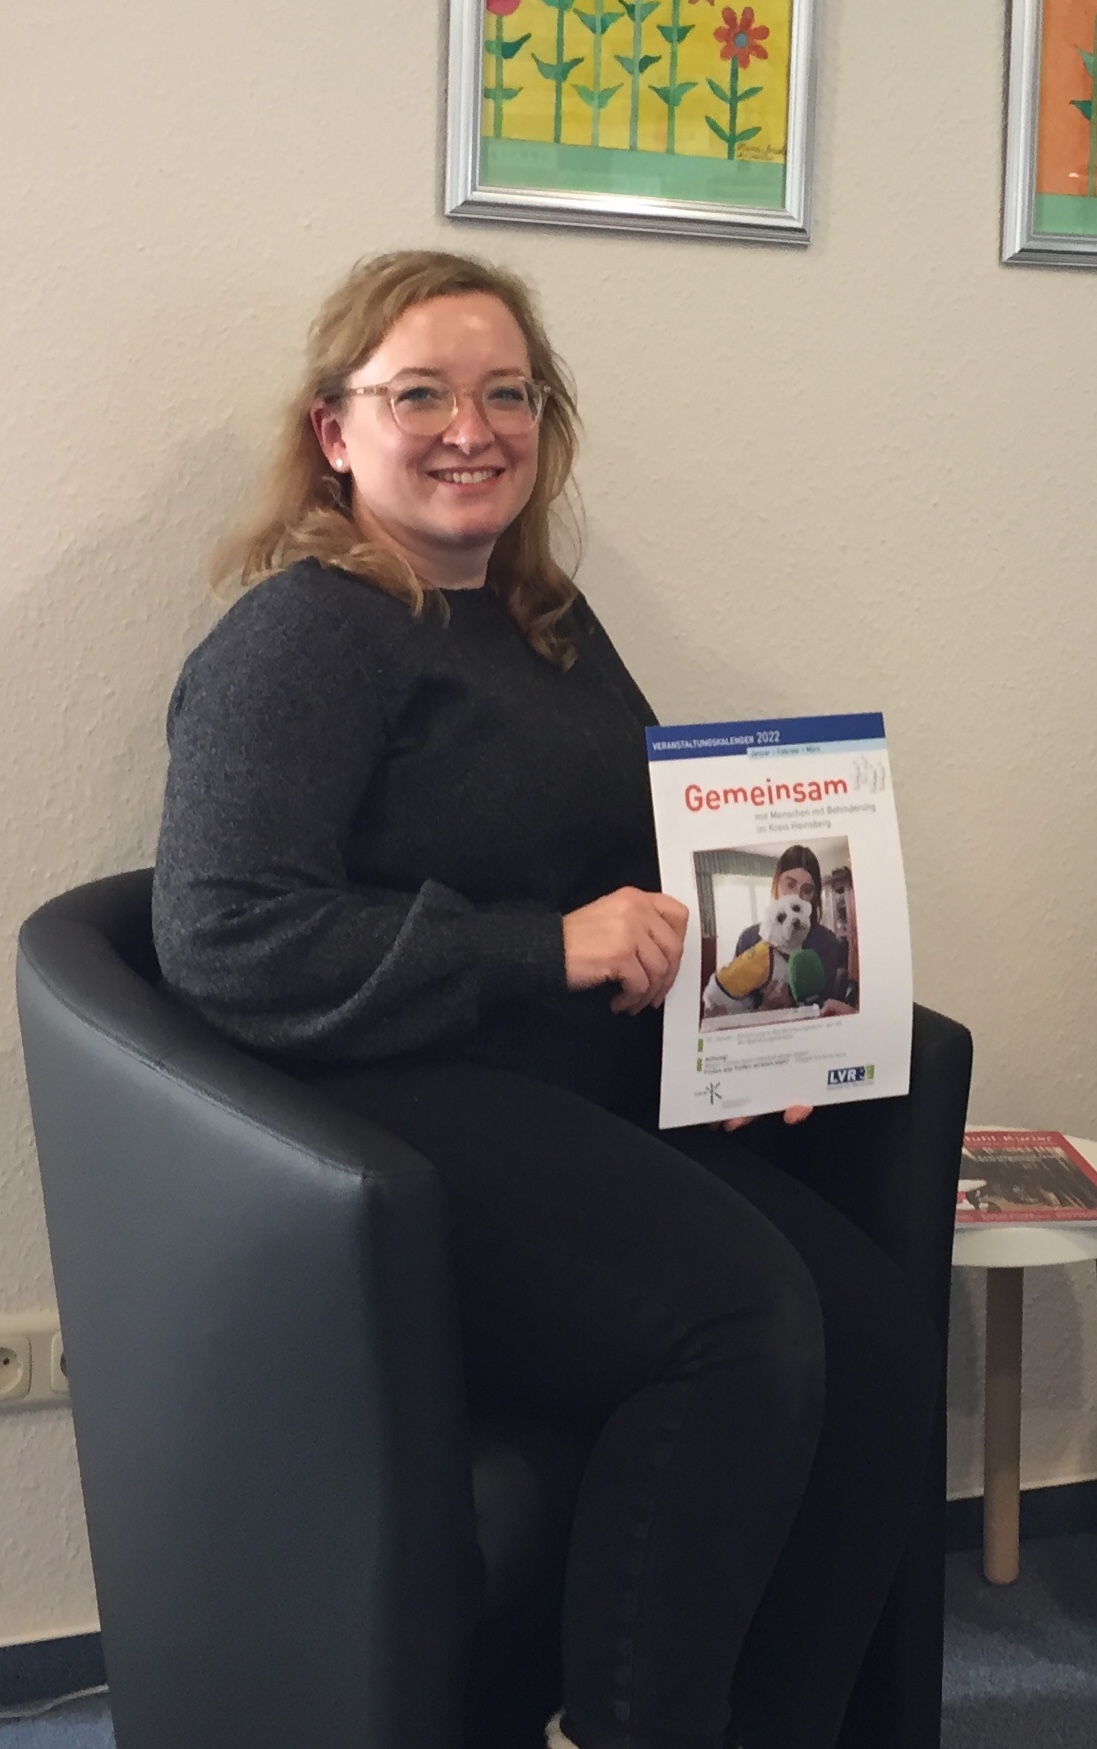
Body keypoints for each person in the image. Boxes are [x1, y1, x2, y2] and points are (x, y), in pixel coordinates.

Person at [151, 251, 937, 1749]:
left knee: (883, 1341)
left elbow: (652, 870)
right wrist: (539, 951)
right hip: (390, 1114)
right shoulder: (307, 631)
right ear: (336, 429)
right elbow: (221, 934)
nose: (472, 427)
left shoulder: (546, 624)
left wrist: (765, 1019)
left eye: (506, 392)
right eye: (422, 393)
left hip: (574, 1093)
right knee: (739, 1319)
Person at [729, 844, 859, 1012]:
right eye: (790, 885)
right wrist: (764, 1007)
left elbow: (827, 1003)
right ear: (776, 885)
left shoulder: (827, 941)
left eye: (807, 890)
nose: (797, 896)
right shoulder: (749, 939)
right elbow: (735, 1008)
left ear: (814, 897)